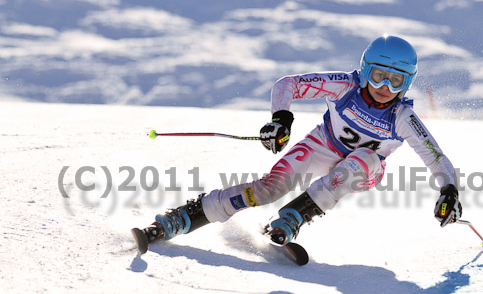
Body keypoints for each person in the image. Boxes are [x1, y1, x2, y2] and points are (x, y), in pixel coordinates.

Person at [132, 35, 462, 250]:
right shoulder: (344, 86)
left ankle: (294, 216)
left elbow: (436, 159)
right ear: (364, 71)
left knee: (360, 161)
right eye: (378, 75)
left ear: (408, 83)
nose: (385, 88)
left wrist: (449, 191)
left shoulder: (402, 117)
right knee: (268, 188)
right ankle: (180, 219)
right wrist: (281, 119)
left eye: (396, 80)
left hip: (365, 170)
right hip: (323, 145)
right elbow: (288, 84)